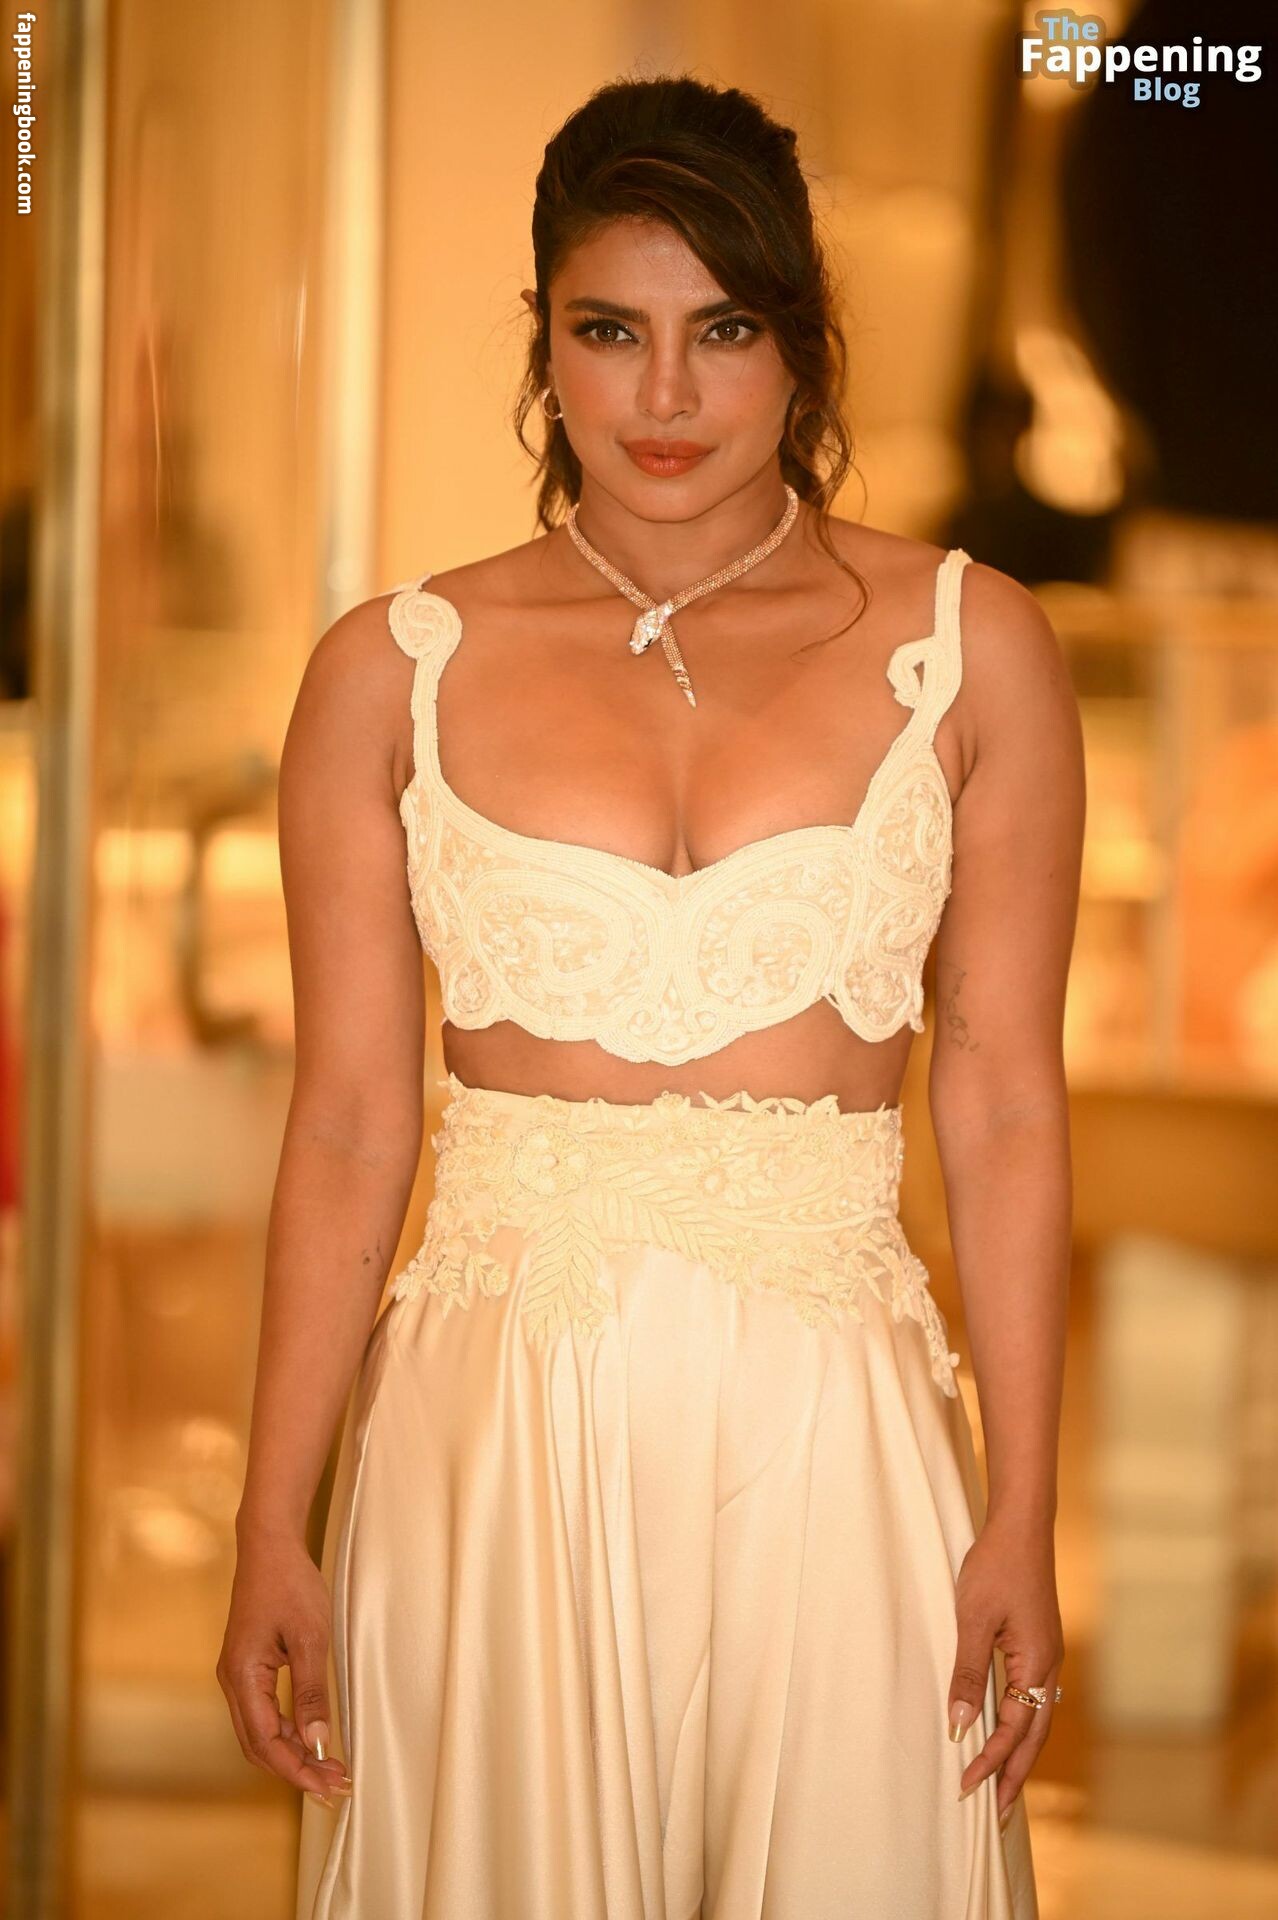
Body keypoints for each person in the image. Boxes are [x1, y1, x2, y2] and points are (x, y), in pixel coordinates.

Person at [220, 74, 1083, 1920]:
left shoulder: (970, 646)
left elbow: (1005, 1093)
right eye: (609, 331)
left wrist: (1023, 1501)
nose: (666, 396)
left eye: (724, 330)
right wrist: (271, 1515)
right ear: (544, 342)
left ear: (803, 343)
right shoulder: (389, 671)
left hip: (835, 1412)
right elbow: (352, 1123)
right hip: (491, 1422)